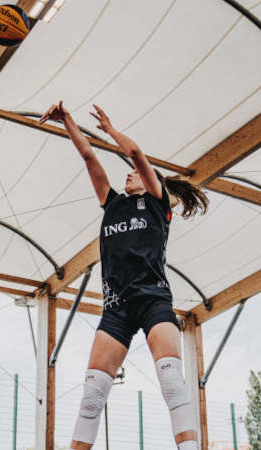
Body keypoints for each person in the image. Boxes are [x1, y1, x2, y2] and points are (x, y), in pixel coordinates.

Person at [40, 101, 209, 449]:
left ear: (151, 184)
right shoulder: (112, 203)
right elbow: (89, 159)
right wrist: (68, 120)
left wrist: (111, 129)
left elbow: (134, 153)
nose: (128, 175)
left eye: (135, 174)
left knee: (172, 382)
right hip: (116, 308)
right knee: (91, 396)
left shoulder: (158, 204)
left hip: (154, 302)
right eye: (129, 175)